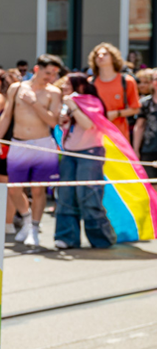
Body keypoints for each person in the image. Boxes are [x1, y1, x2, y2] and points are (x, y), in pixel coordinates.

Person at [0, 55, 64, 247]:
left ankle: (34, 228)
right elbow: (6, 116)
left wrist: (34, 103)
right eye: (48, 72)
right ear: (37, 69)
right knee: (14, 188)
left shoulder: (53, 92)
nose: (51, 77)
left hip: (42, 144)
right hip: (19, 143)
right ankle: (26, 218)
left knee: (38, 190)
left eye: (54, 74)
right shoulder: (16, 88)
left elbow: (53, 121)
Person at [54, 73, 118, 249]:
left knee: (89, 196)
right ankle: (66, 237)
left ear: (80, 85)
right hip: (69, 153)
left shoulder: (91, 101)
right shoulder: (68, 102)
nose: (64, 87)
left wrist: (73, 107)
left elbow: (89, 125)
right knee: (66, 196)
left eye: (68, 84)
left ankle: (102, 238)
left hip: (89, 153)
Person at [89, 42, 141, 142]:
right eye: (97, 55)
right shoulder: (91, 82)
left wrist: (116, 114)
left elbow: (135, 109)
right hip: (95, 136)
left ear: (113, 58)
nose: (100, 57)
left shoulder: (127, 81)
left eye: (105, 54)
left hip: (118, 135)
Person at [135, 69, 157, 179]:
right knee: (151, 184)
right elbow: (139, 127)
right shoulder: (145, 103)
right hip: (149, 148)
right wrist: (135, 150)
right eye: (155, 79)